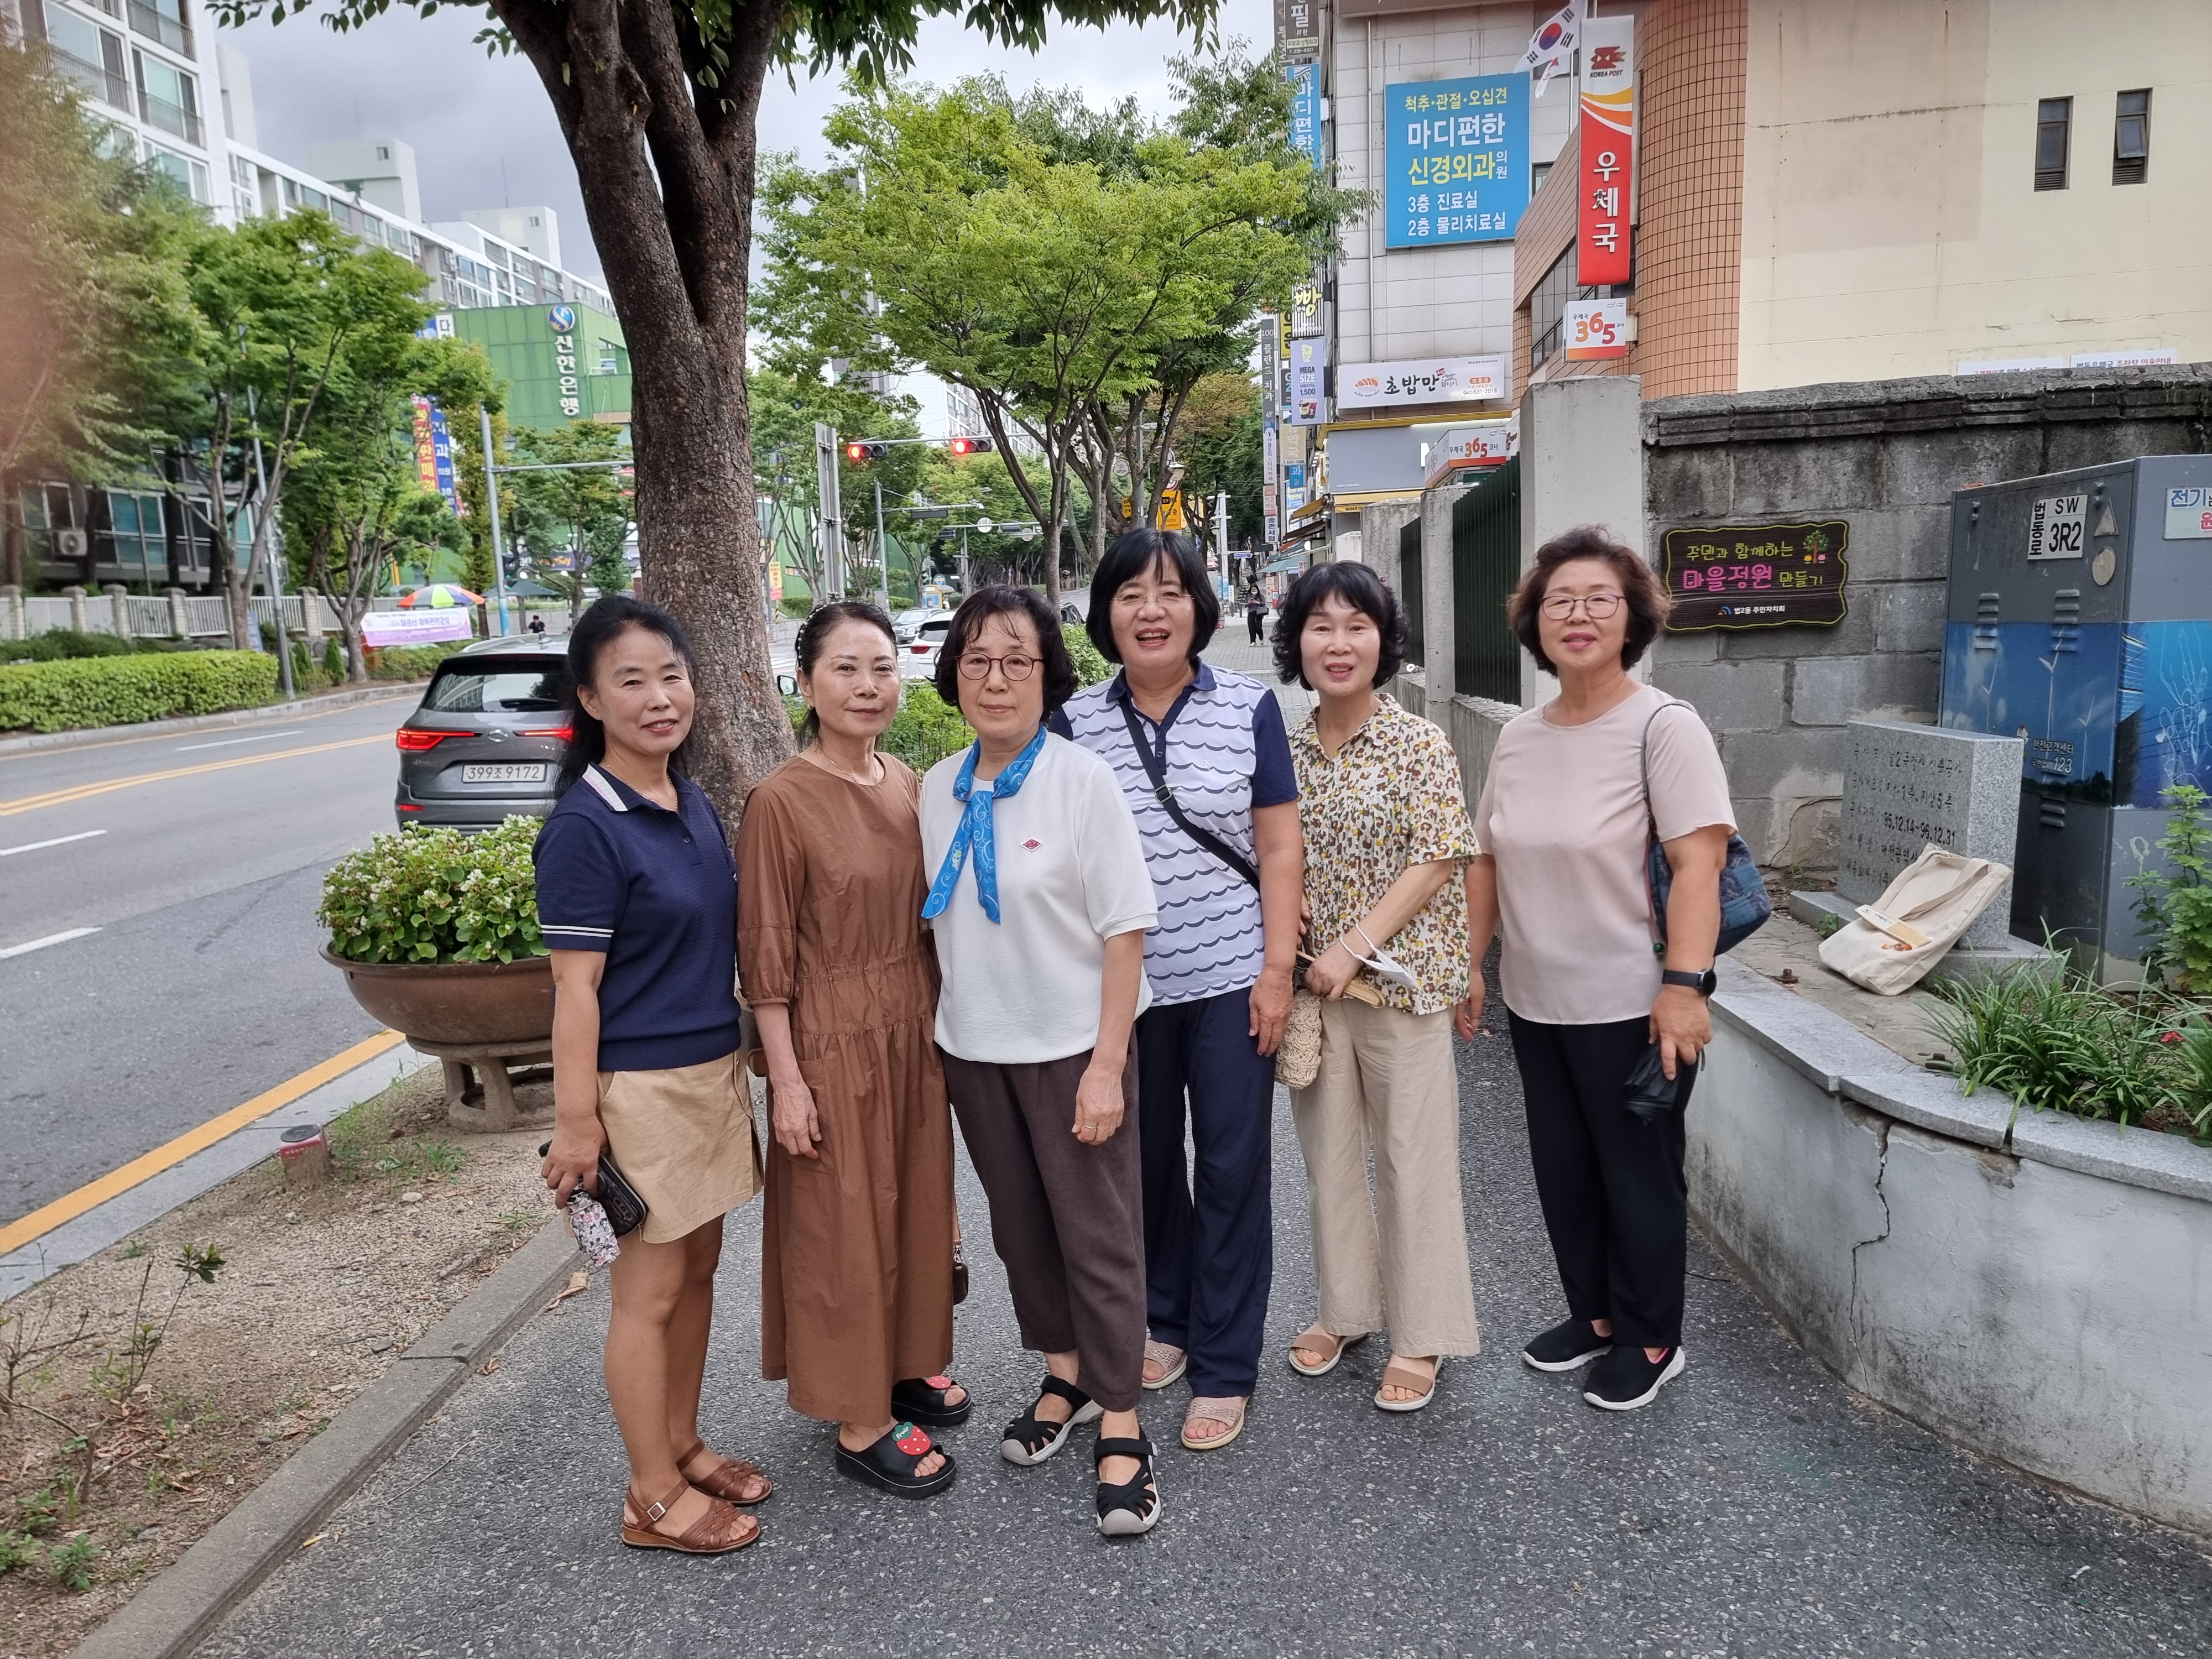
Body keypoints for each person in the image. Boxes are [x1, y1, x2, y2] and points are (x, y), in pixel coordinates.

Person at [1462, 525, 1733, 1413]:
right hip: (1536, 1001)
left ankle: (1653, 1336)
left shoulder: (1662, 726)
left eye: (1599, 600)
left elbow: (1700, 865)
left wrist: (1684, 989)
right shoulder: (1521, 737)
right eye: (1560, 603)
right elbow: (1488, 859)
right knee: (1566, 1172)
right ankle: (1597, 1315)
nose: (1577, 616)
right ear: (1535, 623)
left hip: (1634, 1005)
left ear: (1634, 617)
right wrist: (1471, 966)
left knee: (1638, 1175)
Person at [921, 585, 1165, 1536]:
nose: (996, 679)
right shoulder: (935, 788)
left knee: (1098, 1239)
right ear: (954, 675)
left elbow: (1125, 929)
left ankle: (1124, 1419)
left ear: (1047, 675)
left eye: (1017, 660)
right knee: (1022, 1235)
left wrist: (1108, 1066)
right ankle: (1065, 1376)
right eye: (977, 660)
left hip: (1072, 1052)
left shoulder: (1081, 780)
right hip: (976, 1051)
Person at [1053, 530, 1300, 1453]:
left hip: (1235, 981)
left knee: (1232, 1170)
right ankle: (1167, 1318)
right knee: (1143, 1166)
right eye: (1130, 595)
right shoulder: (1074, 722)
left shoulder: (1249, 707)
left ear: (1200, 605)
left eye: (1169, 592)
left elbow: (1279, 846)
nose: (1150, 611)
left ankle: (1227, 1364)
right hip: (1127, 996)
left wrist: (1277, 971)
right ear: (1105, 614)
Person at [536, 595, 769, 1556]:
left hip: (710, 1074)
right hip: (640, 1093)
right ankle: (651, 1495)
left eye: (671, 675)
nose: (659, 697)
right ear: (591, 700)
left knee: (699, 1271)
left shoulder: (688, 798)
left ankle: (681, 1444)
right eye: (630, 681)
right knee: (650, 1294)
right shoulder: (585, 827)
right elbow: (574, 990)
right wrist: (578, 1122)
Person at [737, 600, 964, 1499]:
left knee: (914, 1206)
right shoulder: (780, 802)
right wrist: (787, 1082)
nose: (869, 685)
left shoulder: (906, 780)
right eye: (845, 668)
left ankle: (901, 1367)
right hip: (829, 1038)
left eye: (882, 667)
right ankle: (859, 1418)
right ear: (805, 684)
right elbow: (765, 956)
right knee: (844, 1225)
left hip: (912, 1027)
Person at [1272, 562, 1481, 1413]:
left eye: (1356, 625)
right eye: (1320, 626)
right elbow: (1271, 853)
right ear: (1295, 642)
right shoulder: (1284, 752)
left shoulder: (1418, 742)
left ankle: (1422, 1333)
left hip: (1400, 986)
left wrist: (1350, 949)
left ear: (1383, 641)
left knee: (1411, 1162)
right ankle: (1346, 1312)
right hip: (1315, 993)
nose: (1338, 643)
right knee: (1328, 1162)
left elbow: (1438, 858)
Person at [1245, 581, 1269, 645]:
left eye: (1255, 590)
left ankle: (1261, 638)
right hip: (1251, 613)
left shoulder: (1261, 596)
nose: (1253, 591)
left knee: (1258, 627)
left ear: (1257, 590)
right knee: (1251, 628)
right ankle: (1253, 641)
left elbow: (1263, 604)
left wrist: (1257, 602)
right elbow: (1245, 605)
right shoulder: (1249, 597)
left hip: (1259, 613)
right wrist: (1250, 603)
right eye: (1252, 590)